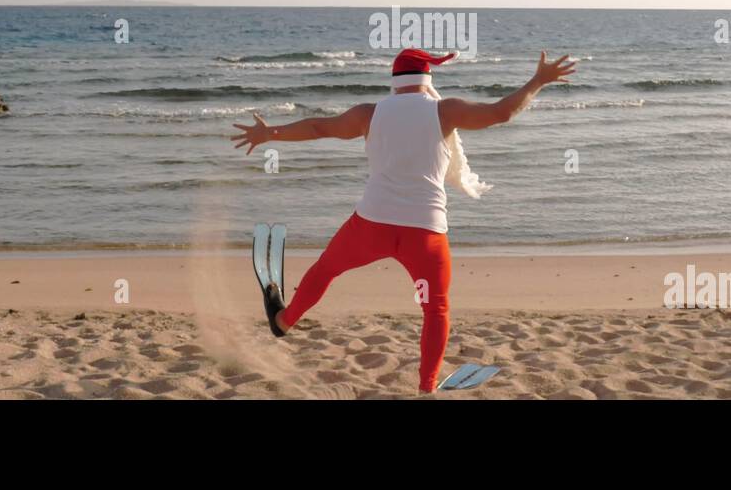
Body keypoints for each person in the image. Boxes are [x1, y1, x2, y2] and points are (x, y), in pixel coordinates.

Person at [230, 48, 576, 392]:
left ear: (394, 82)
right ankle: (427, 387)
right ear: (428, 81)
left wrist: (269, 134)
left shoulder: (369, 114)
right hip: (425, 232)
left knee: (326, 269)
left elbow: (319, 127)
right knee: (436, 309)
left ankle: (284, 321)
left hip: (370, 224)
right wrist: (538, 81)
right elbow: (501, 113)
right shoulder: (445, 110)